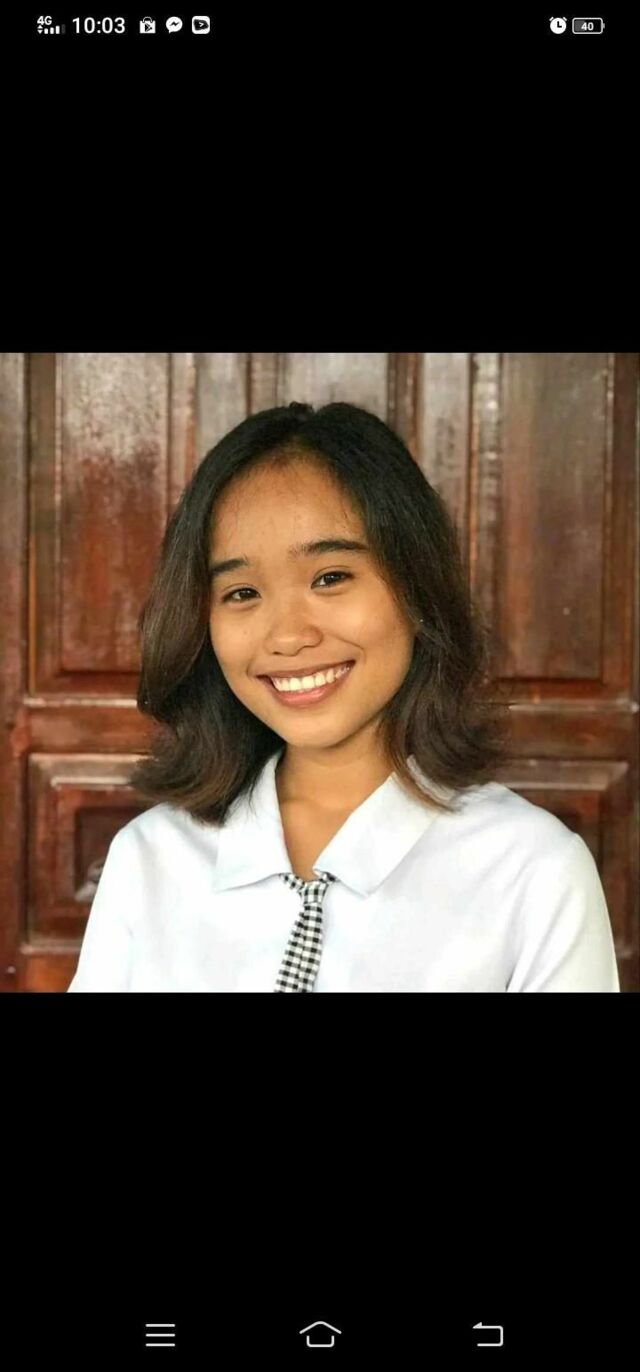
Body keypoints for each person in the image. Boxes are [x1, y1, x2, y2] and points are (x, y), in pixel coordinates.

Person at [66, 401, 619, 992]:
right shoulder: (150, 858)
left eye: (330, 578)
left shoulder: (533, 870)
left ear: (416, 586)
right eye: (242, 592)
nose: (288, 636)